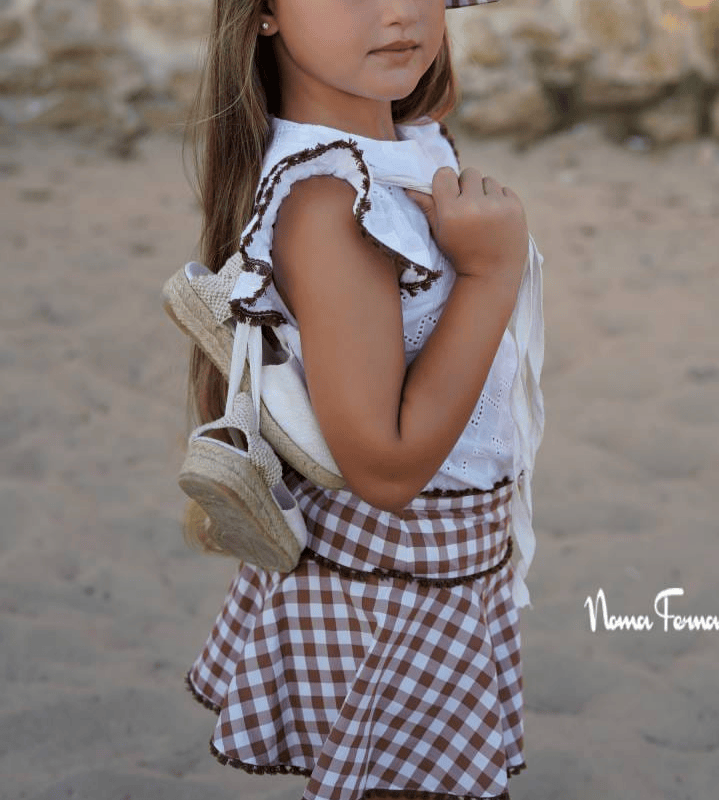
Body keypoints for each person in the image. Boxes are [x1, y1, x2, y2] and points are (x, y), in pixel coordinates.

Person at [176, 0, 545, 797]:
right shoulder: (330, 202)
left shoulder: (408, 149)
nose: (399, 11)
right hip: (394, 592)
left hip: (446, 578)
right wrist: (489, 274)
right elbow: (383, 471)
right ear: (264, 13)